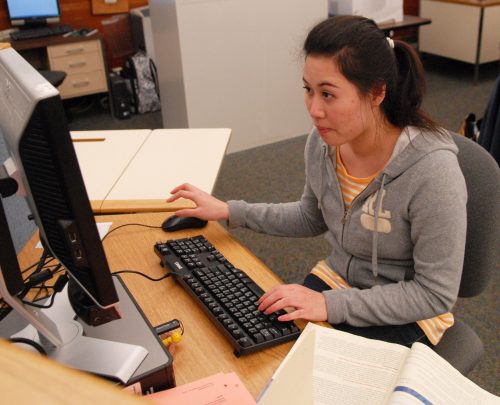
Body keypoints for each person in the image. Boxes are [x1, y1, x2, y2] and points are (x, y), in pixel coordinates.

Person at [167, 16, 467, 347]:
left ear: (377, 92)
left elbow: (433, 293)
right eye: (308, 90)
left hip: (408, 308)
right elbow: (312, 216)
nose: (314, 109)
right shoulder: (324, 142)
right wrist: (228, 210)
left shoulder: (432, 171)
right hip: (337, 280)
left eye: (328, 94)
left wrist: (328, 305)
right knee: (265, 345)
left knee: (319, 382)